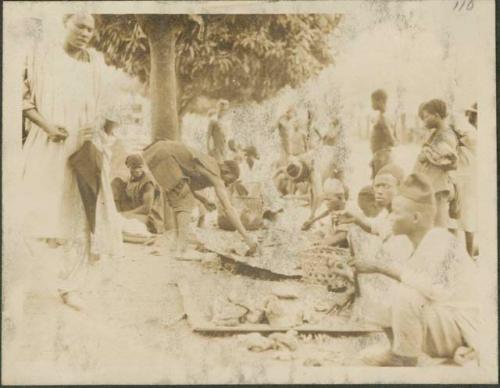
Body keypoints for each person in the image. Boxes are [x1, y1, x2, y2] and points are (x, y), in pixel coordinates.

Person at [21, 13, 110, 310]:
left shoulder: (95, 64)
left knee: (81, 215)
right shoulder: (40, 58)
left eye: (90, 29)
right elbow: (22, 100)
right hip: (48, 143)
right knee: (41, 214)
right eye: (79, 26)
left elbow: (107, 108)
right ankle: (38, 274)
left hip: (83, 147)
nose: (86, 33)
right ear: (65, 24)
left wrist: (95, 126)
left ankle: (70, 285)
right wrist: (46, 125)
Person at [351, 174, 478, 366]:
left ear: (416, 217)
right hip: (442, 321)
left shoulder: (440, 240)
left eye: (396, 213)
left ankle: (406, 357)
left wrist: (380, 267)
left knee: (406, 293)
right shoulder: (406, 241)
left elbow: (433, 289)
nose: (391, 218)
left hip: (461, 327)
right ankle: (397, 349)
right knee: (383, 287)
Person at [142, 140, 258, 256]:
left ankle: (176, 245)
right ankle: (182, 248)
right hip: (165, 155)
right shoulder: (215, 173)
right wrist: (246, 236)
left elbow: (186, 186)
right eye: (229, 180)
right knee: (185, 201)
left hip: (155, 152)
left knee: (179, 199)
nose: (227, 184)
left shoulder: (208, 164)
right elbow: (228, 208)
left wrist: (204, 200)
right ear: (226, 170)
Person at [413, 99, 458, 228]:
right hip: (431, 185)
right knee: (430, 225)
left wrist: (428, 155)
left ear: (437, 116)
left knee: (439, 227)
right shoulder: (436, 133)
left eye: (426, 117)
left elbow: (452, 163)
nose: (424, 121)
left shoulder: (447, 136)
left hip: (438, 187)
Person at [336, 163, 404, 242]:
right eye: (377, 186)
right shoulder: (390, 215)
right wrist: (356, 220)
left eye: (386, 186)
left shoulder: (404, 215)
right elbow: (378, 229)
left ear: (399, 187)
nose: (379, 191)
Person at [112, 154, 164, 236]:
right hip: (136, 212)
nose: (137, 170)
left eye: (139, 167)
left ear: (143, 166)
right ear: (129, 168)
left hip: (151, 217)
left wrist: (126, 214)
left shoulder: (148, 182)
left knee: (127, 222)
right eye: (134, 167)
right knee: (116, 182)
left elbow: (146, 208)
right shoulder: (131, 179)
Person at [453, 103, 477, 256]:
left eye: (474, 114)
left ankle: (468, 253)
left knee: (466, 216)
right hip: (462, 175)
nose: (472, 117)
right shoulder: (468, 130)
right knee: (458, 215)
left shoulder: (472, 132)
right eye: (471, 114)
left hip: (469, 177)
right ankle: (460, 253)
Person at [370, 89, 395, 179]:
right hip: (380, 155)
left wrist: (382, 154)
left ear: (380, 101)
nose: (371, 104)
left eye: (372, 101)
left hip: (382, 156)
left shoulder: (383, 117)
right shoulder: (382, 116)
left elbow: (392, 140)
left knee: (381, 181)